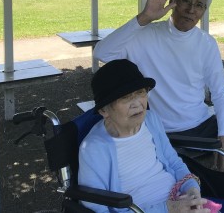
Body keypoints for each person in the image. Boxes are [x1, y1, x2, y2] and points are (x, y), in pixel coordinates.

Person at [93, 0, 224, 188]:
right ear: (172, 1)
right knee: (178, 178)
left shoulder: (206, 43)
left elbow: (220, 92)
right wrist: (145, 17)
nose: (191, 9)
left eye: (199, 5)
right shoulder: (144, 36)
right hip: (160, 131)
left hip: (202, 125)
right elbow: (102, 52)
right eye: (185, 0)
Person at [78, 59, 212, 213]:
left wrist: (192, 189)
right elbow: (97, 208)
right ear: (104, 110)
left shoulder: (151, 120)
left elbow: (173, 162)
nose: (137, 104)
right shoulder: (93, 148)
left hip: (180, 200)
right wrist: (168, 209)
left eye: (140, 92)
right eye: (125, 97)